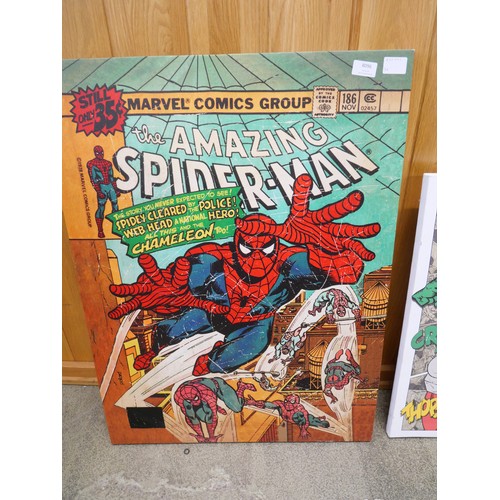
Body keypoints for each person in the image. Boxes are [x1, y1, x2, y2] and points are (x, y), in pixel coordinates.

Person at [108, 174, 380, 375]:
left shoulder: (288, 263)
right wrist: (163, 293)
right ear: (237, 242)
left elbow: (348, 271)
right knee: (175, 328)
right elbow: (167, 283)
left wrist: (318, 243)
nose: (257, 259)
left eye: (266, 248)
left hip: (255, 323)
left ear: (277, 244)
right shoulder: (214, 259)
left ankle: (208, 363)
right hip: (213, 312)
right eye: (248, 248)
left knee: (249, 346)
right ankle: (154, 349)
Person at [87, 145, 120, 238]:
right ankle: (100, 230)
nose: (100, 155)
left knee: (115, 205)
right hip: (101, 186)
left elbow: (111, 177)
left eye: (101, 153)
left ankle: (117, 229)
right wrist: (98, 191)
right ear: (95, 153)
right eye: (98, 153)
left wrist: (115, 189)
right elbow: (93, 180)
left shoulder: (108, 163)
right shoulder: (91, 164)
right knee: (101, 208)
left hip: (109, 186)